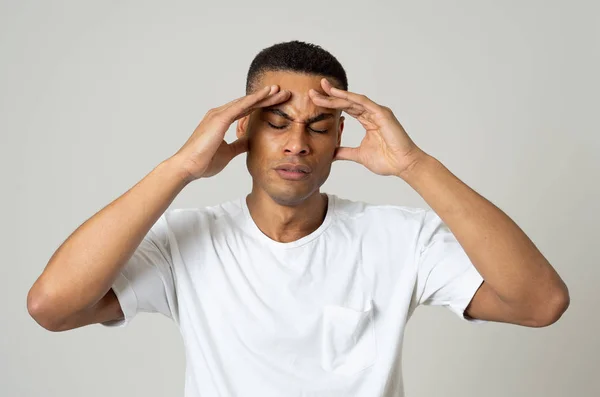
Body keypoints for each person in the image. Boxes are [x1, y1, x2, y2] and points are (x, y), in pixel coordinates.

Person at [27, 40, 569, 396]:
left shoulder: (401, 239)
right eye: (277, 122)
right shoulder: (186, 240)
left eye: (318, 127)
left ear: (339, 139)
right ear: (243, 130)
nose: (295, 145)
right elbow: (52, 307)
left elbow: (539, 302)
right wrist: (180, 168)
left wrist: (414, 165)